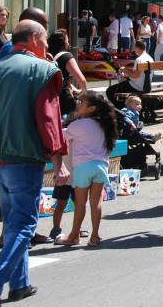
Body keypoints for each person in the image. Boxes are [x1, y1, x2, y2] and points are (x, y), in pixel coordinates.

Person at [0, 20, 69, 307]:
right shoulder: (43, 70)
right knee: (24, 224)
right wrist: (59, 159)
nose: (48, 45)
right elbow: (49, 120)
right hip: (22, 158)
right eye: (45, 39)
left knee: (13, 223)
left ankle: (20, 284)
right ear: (34, 38)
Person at [53, 91, 118, 247]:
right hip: (101, 166)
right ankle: (95, 236)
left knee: (80, 203)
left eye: (81, 102)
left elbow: (61, 136)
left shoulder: (78, 124)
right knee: (96, 202)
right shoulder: (105, 125)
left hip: (82, 167)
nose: (77, 104)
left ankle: (74, 236)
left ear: (91, 108)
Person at [48, 29, 88, 117]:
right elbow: (81, 80)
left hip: (50, 96)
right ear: (62, 43)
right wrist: (83, 94)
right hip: (64, 98)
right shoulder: (66, 56)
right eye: (67, 41)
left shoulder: (48, 55)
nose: (68, 44)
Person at [105, 40, 153, 106]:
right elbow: (138, 73)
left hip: (136, 87)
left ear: (137, 48)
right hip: (146, 86)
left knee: (110, 91)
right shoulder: (150, 58)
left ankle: (120, 108)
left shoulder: (139, 59)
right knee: (121, 86)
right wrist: (128, 71)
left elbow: (135, 75)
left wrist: (124, 70)